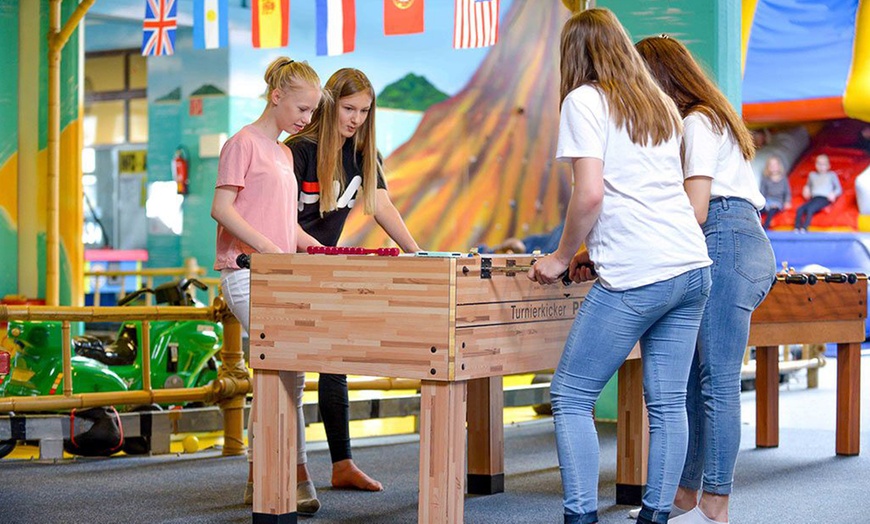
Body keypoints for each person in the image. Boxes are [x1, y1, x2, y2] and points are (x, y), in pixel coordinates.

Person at [527, 9, 712, 524]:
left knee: (569, 395)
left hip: (639, 273)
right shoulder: (658, 103)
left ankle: (580, 517)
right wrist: (592, 250)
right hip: (691, 266)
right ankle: (655, 517)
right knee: (668, 403)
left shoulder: (583, 101)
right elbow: (644, 191)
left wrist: (562, 257)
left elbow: (588, 195)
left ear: (573, 55)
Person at [636, 35, 777, 524]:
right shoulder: (711, 118)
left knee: (716, 381)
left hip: (726, 236)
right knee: (700, 381)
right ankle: (686, 494)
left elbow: (696, 209)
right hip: (735, 238)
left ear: (659, 79)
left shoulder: (696, 121)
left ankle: (716, 504)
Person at [285, 68, 421, 492]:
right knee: (285, 374)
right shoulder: (297, 150)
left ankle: (341, 464)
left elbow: (381, 205)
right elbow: (277, 220)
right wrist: (315, 253)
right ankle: (278, 470)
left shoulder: (363, 152)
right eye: (349, 109)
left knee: (335, 363)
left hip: (324, 267)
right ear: (329, 104)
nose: (357, 118)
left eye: (364, 110)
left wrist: (418, 254)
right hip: (287, 268)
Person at [210, 56, 324, 514]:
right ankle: (290, 477)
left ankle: (266, 477)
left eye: (312, 112)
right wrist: (266, 249)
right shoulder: (243, 143)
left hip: (279, 275)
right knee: (279, 376)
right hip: (243, 275)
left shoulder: (282, 152)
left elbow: (287, 225)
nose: (306, 119)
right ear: (276, 97)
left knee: (287, 381)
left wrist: (320, 252)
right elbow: (222, 208)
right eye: (301, 108)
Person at [793, 154, 842, 231]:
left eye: (824, 164)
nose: (821, 167)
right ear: (816, 165)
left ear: (828, 165)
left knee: (810, 209)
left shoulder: (831, 175)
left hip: (824, 198)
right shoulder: (812, 175)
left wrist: (834, 194)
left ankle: (804, 228)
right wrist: (806, 189)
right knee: (800, 209)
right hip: (814, 198)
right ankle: (796, 228)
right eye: (819, 164)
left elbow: (839, 189)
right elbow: (808, 185)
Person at [759, 155, 791, 229]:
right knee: (759, 210)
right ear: (768, 168)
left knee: (772, 211)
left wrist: (787, 201)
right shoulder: (765, 179)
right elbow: (762, 192)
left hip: (778, 202)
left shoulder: (783, 179)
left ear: (779, 166)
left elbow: (787, 192)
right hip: (767, 201)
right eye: (771, 165)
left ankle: (765, 227)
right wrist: (762, 202)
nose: (773, 167)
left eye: (775, 165)